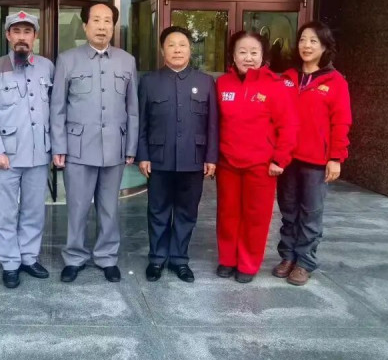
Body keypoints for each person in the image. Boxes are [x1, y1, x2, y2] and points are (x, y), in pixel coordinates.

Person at [51, 2, 138, 283]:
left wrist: (131, 147)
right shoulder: (67, 60)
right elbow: (57, 108)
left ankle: (106, 257)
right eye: (96, 20)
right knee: (77, 207)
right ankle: (74, 257)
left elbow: (133, 109)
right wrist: (59, 146)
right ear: (85, 25)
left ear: (114, 26)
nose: (102, 26)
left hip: (114, 147)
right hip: (77, 148)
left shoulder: (126, 61)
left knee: (109, 207)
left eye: (108, 21)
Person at [136, 26, 218, 283]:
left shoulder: (205, 82)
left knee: (186, 212)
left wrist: (211, 157)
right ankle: (157, 259)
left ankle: (179, 259)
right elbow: (141, 122)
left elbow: (213, 124)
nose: (177, 50)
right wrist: (143, 155)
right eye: (171, 45)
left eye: (182, 45)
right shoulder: (149, 81)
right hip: (158, 158)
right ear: (163, 50)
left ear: (190, 49)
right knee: (157, 211)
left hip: (193, 158)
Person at [273, 21, 352, 286]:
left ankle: (305, 262)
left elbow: (341, 122)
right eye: (303, 40)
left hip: (316, 160)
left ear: (325, 47)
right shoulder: (286, 78)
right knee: (288, 210)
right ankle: (287, 256)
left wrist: (336, 157)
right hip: (287, 158)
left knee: (310, 213)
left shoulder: (335, 81)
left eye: (313, 41)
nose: (306, 45)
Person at [215, 30, 298, 283]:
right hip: (228, 162)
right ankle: (227, 259)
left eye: (254, 52)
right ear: (233, 55)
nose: (248, 57)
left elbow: (288, 126)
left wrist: (280, 159)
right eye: (242, 52)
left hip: (261, 165)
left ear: (263, 56)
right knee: (227, 214)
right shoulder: (222, 84)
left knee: (256, 217)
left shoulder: (275, 85)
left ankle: (248, 264)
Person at [0, 11, 54, 289]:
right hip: (7, 155)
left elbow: (55, 109)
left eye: (27, 31)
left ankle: (29, 257)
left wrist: (54, 147)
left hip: (38, 153)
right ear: (8, 35)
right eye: (17, 31)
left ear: (35, 36)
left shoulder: (47, 67)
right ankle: (10, 262)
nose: (22, 37)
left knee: (34, 210)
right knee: (6, 212)